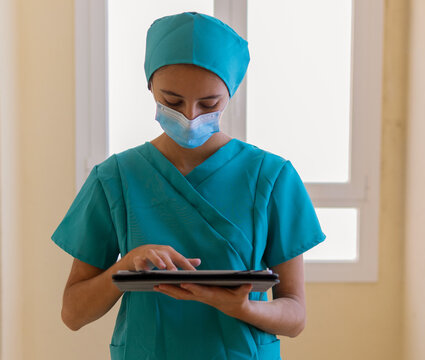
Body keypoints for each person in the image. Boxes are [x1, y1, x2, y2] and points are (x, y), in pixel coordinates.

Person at [52, 12, 325, 360]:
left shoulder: (272, 177)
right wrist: (123, 268)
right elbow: (73, 314)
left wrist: (242, 307)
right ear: (150, 86)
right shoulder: (116, 178)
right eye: (173, 101)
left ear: (231, 92)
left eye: (209, 104)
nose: (191, 116)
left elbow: (295, 316)